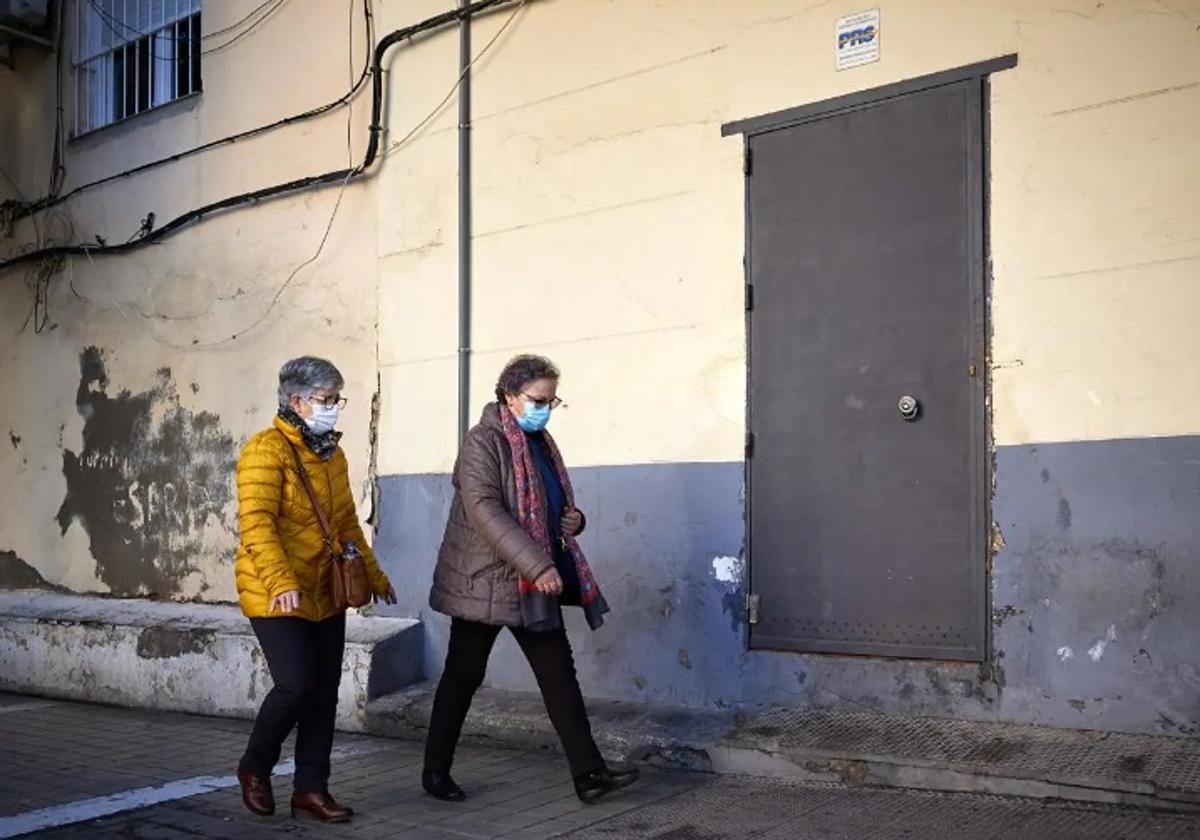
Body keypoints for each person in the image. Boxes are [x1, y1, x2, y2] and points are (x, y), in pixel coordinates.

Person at [422, 354, 639, 805]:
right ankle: (435, 772)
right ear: (510, 395)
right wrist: (538, 566)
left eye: (551, 400)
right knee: (463, 676)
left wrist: (572, 520)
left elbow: (546, 501)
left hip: (528, 581)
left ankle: (589, 773)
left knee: (559, 673)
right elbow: (485, 510)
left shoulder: (539, 441)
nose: (545, 407)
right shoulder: (484, 442)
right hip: (485, 580)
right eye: (538, 399)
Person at [233, 356, 397, 823]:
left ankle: (311, 789)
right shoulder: (265, 451)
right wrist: (282, 581)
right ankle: (255, 766)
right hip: (274, 589)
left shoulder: (331, 453)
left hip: (325, 587)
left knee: (324, 691)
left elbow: (345, 523)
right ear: (296, 401)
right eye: (326, 400)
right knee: (296, 685)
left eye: (336, 400)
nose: (333, 409)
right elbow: (257, 525)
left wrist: (374, 575)